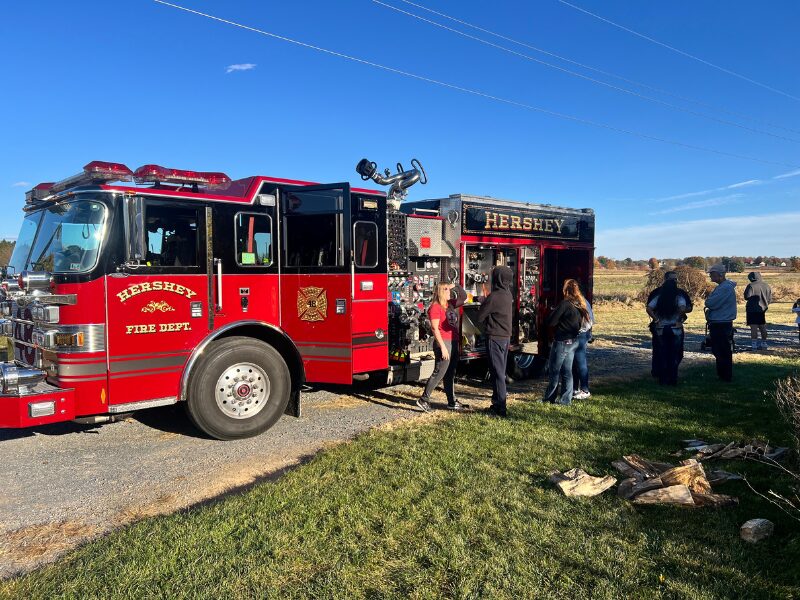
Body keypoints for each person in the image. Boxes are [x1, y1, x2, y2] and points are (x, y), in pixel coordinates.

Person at [417, 282, 467, 412]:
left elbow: (464, 297)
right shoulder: (435, 307)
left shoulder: (449, 304)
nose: (449, 292)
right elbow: (434, 328)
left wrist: (455, 285)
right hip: (444, 342)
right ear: (440, 292)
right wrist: (443, 347)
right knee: (439, 373)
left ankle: (451, 401)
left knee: (450, 374)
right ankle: (423, 400)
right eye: (446, 289)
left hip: (453, 340)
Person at [543, 279, 589, 405]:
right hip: (573, 341)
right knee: (567, 372)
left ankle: (549, 398)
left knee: (554, 371)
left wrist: (552, 312)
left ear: (565, 290)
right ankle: (565, 400)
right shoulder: (579, 304)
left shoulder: (565, 304)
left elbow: (551, 321)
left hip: (562, 341)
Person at [476, 266, 514, 417]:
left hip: (495, 337)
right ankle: (496, 403)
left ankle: (501, 408)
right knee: (500, 370)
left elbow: (479, 317)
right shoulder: (507, 294)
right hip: (505, 337)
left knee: (497, 373)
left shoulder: (494, 296)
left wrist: (483, 302)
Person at [647, 271, 693, 378]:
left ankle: (661, 376)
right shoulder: (680, 294)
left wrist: (656, 319)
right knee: (674, 352)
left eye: (676, 279)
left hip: (659, 326)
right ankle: (669, 375)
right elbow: (687, 308)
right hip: (675, 327)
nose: (675, 281)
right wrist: (679, 316)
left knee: (661, 351)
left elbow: (649, 308)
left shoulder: (656, 294)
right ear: (666, 279)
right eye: (673, 279)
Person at [705, 264, 737, 382]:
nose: (710, 276)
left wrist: (708, 301)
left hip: (721, 323)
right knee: (720, 349)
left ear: (720, 275)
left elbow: (710, 303)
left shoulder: (724, 288)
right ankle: (723, 374)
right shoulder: (725, 287)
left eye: (712, 274)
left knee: (721, 350)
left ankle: (725, 376)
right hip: (721, 322)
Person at [571, 291, 594, 399]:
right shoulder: (583, 301)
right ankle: (574, 388)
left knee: (580, 362)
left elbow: (589, 321)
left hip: (581, 334)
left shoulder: (581, 302)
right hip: (582, 333)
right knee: (574, 363)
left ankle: (585, 389)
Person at [743, 272, 772, 350]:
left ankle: (754, 345)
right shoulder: (766, 285)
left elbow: (747, 296)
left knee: (754, 327)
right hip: (762, 309)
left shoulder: (751, 286)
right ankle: (764, 344)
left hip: (752, 309)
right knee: (762, 326)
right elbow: (769, 299)